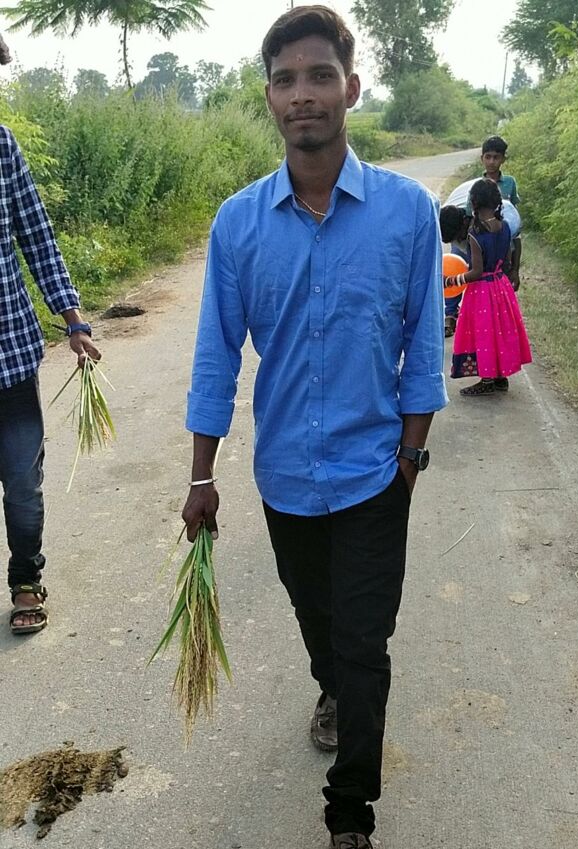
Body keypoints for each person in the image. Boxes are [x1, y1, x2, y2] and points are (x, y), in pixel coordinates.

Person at [181, 6, 447, 846]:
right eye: (286, 79)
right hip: (287, 476)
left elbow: (423, 348)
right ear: (269, 97)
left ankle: (350, 809)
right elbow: (217, 358)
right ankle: (328, 682)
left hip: (376, 472)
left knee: (366, 640)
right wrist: (201, 475)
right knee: (319, 620)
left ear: (351, 88)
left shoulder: (407, 212)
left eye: (320, 76)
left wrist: (410, 459)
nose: (304, 94)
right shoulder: (238, 224)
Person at [0, 122, 101, 633]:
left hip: (9, 357)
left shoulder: (1, 144)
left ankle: (26, 580)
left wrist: (74, 320)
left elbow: (37, 238)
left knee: (22, 483)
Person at [448, 178, 531, 396]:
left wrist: (452, 281)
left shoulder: (475, 235)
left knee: (484, 334)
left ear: (473, 202)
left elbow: (476, 272)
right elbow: (507, 260)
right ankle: (500, 377)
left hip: (482, 291)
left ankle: (487, 380)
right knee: (499, 331)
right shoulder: (504, 227)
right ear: (496, 202)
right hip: (501, 287)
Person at [467, 135, 523, 290]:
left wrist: (515, 269)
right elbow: (470, 216)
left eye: (496, 157)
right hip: (482, 252)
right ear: (482, 158)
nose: (491, 162)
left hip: (504, 250)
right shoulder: (476, 186)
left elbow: (514, 223)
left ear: (503, 159)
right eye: (488, 157)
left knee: (502, 290)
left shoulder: (510, 183)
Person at [439, 205, 471, 337]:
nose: (457, 242)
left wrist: (451, 281)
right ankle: (451, 313)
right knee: (454, 267)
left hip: (470, 227)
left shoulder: (482, 223)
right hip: (457, 222)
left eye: (457, 238)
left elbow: (477, 271)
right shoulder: (448, 218)